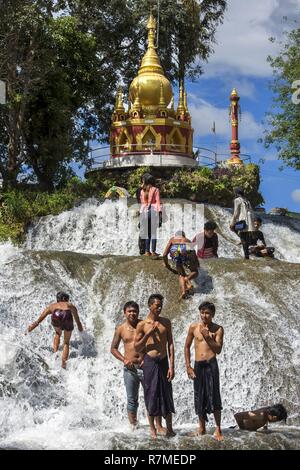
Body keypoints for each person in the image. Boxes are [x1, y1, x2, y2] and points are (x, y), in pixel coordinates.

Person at [134, 294, 175, 438]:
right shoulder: (142, 325)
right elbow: (137, 347)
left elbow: (170, 344)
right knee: (150, 394)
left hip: (163, 361)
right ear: (150, 306)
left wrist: (172, 366)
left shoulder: (166, 322)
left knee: (166, 393)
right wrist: (148, 335)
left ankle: (169, 428)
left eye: (161, 305)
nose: (159, 307)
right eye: (157, 305)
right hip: (150, 362)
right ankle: (152, 429)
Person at [184, 301, 224, 441]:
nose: (204, 315)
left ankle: (218, 428)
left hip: (211, 364)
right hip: (198, 366)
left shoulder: (218, 329)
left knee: (214, 395)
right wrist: (188, 366)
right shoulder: (194, 327)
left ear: (212, 314)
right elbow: (187, 347)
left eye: (207, 313)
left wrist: (207, 337)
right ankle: (202, 427)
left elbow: (218, 350)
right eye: (202, 312)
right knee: (199, 396)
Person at [27, 291, 83, 369]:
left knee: (57, 333)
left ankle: (55, 355)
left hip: (56, 314)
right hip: (67, 315)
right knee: (66, 343)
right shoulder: (70, 305)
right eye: (67, 299)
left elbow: (40, 319)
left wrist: (32, 327)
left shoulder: (52, 306)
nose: (68, 301)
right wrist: (82, 334)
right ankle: (63, 365)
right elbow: (78, 322)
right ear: (64, 299)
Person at [163, 231, 199, 300]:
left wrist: (167, 264)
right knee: (195, 271)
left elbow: (164, 255)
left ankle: (183, 291)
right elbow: (193, 253)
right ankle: (187, 279)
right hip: (184, 249)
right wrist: (196, 263)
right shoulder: (187, 240)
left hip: (175, 250)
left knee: (181, 274)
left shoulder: (172, 239)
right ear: (183, 236)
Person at [139, 174, 162, 257]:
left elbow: (142, 204)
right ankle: (153, 252)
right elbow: (158, 202)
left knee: (147, 233)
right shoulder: (155, 189)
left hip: (144, 213)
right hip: (153, 212)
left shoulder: (142, 191)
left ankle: (147, 252)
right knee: (153, 233)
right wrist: (160, 215)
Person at [230, 188, 255, 260]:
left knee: (242, 236)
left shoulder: (237, 200)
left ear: (236, 193)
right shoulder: (246, 200)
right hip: (249, 220)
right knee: (245, 237)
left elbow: (236, 212)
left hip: (243, 220)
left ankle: (246, 256)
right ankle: (247, 255)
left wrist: (232, 222)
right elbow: (251, 211)